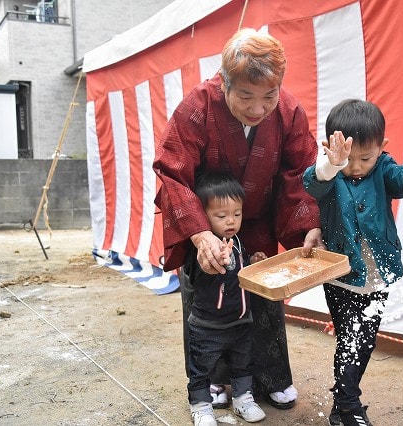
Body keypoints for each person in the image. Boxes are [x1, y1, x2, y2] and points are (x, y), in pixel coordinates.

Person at [154, 27, 324, 410]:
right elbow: (172, 172)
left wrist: (309, 222)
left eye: (269, 96)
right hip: (207, 223)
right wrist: (199, 235)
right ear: (224, 82)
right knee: (206, 305)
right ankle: (211, 381)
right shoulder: (196, 107)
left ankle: (271, 378)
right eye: (246, 95)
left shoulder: (289, 110)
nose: (258, 108)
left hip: (259, 221)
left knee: (263, 301)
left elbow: (301, 172)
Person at [302, 99, 403, 426]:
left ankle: (342, 405)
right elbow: (313, 183)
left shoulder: (383, 168)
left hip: (378, 275)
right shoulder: (330, 174)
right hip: (341, 276)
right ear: (330, 147)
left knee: (366, 340)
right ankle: (348, 407)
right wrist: (333, 165)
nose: (356, 167)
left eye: (365, 158)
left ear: (381, 148)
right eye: (348, 159)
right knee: (350, 339)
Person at [185, 171, 267, 425]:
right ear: (204, 216)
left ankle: (243, 400)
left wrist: (254, 261)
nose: (230, 221)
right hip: (207, 326)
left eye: (237, 214)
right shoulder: (200, 249)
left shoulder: (238, 241)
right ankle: (200, 406)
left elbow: (241, 270)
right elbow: (196, 273)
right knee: (201, 369)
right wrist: (214, 262)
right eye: (221, 216)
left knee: (243, 365)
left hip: (241, 322)